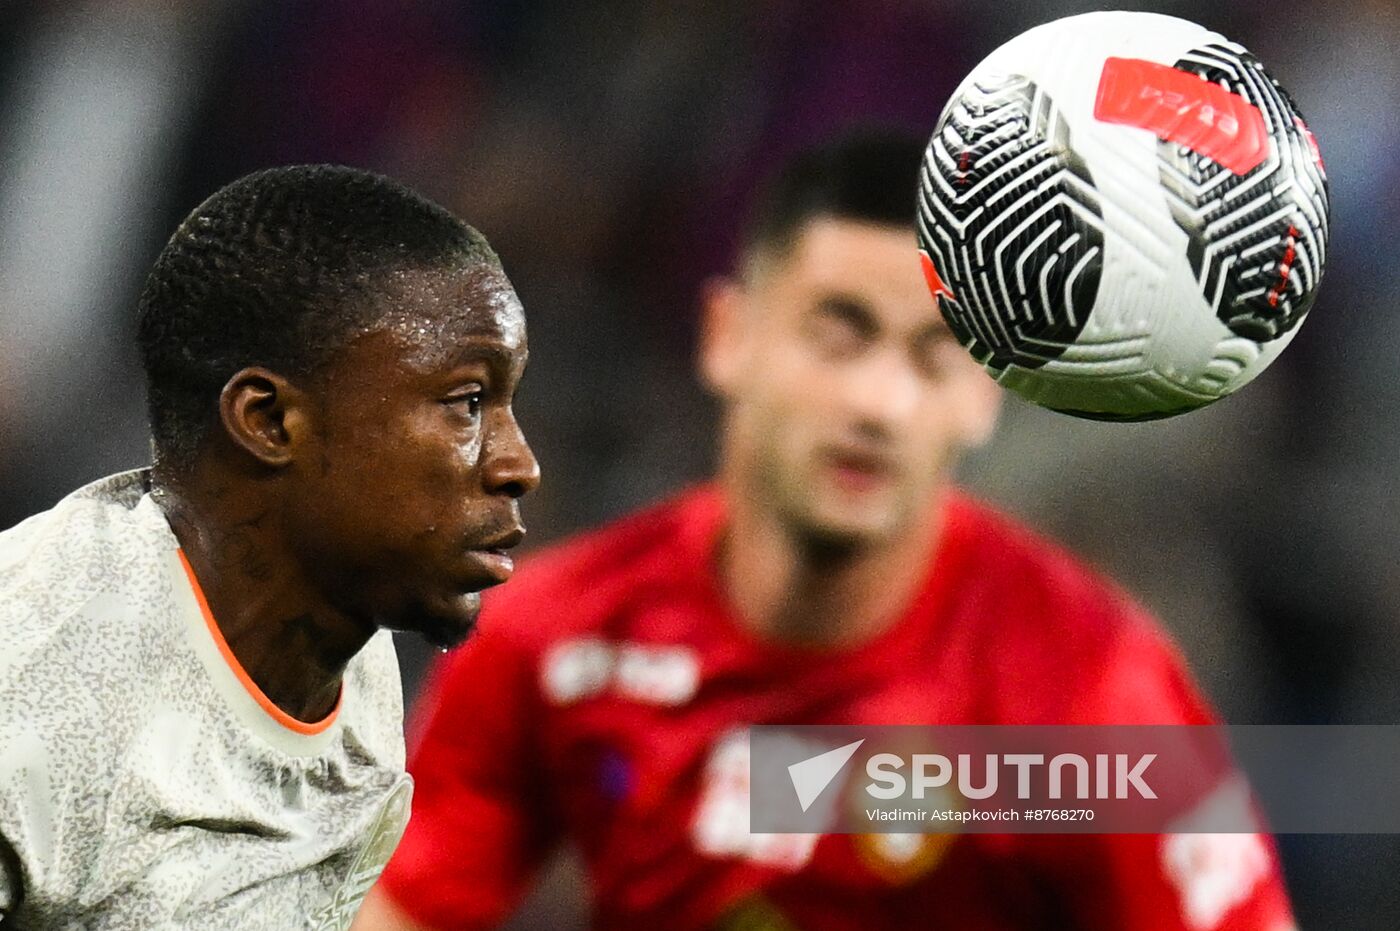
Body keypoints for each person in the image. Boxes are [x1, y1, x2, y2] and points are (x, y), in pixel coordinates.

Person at [354, 133, 1294, 931]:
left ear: (981, 396)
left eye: (932, 359)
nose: (877, 403)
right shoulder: (555, 639)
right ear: (730, 336)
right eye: (838, 335)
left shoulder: (1092, 692)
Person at [0, 165, 539, 928]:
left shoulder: (354, 665)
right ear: (270, 420)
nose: (520, 463)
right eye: (468, 403)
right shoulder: (33, 692)